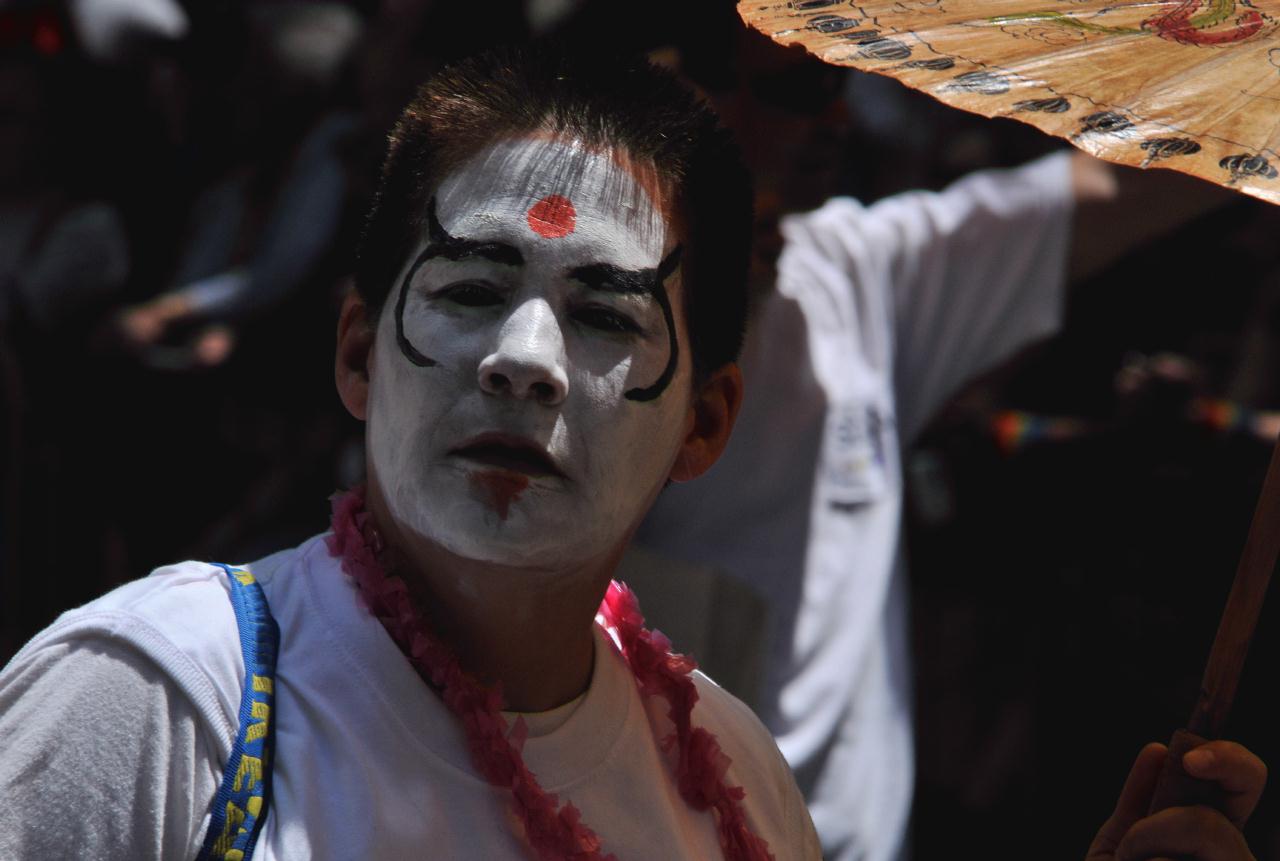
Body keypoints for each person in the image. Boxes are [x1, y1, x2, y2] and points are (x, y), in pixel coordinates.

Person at [0, 43, 1265, 861]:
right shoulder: (162, 706)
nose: (525, 359)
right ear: (354, 352)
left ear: (704, 421)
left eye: (607, 314)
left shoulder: (731, 787)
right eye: (468, 288)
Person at [626, 25, 1249, 861]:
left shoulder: (856, 275)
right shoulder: (594, 326)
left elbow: (1107, 194)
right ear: (685, 86)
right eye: (803, 90)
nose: (839, 117)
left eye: (842, 86)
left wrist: (1248, 115)